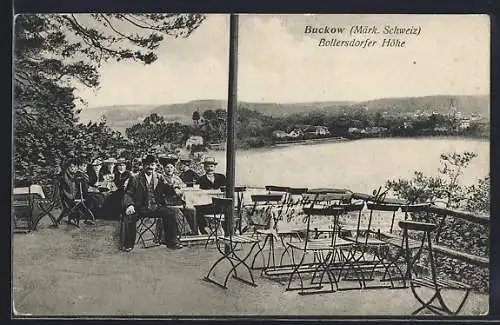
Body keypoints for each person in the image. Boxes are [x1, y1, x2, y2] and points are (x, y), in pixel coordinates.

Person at [122, 154, 183, 251]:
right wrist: (129, 205)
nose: (150, 167)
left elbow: (168, 190)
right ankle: (128, 245)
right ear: (143, 165)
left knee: (171, 213)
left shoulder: (159, 177)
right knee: (129, 217)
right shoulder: (135, 178)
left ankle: (172, 242)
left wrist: (175, 189)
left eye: (152, 165)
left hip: (156, 207)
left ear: (155, 166)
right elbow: (128, 194)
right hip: (140, 208)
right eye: (147, 164)